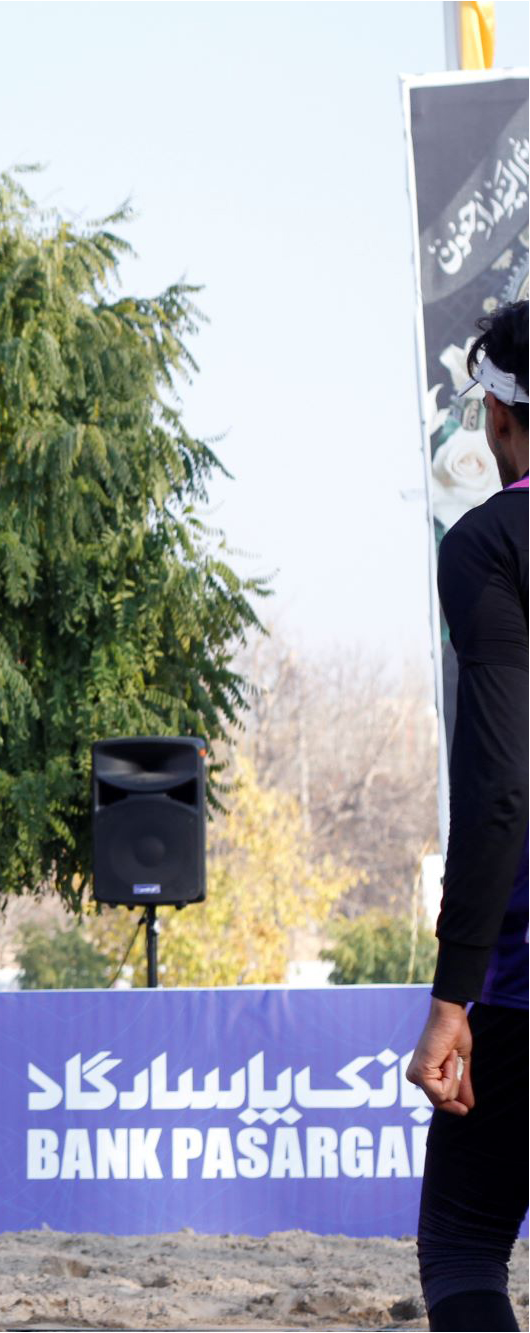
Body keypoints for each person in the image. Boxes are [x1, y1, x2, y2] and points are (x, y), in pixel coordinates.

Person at [405, 298, 528, 1333]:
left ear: (495, 416)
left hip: (522, 975)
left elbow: (498, 785)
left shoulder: (487, 544)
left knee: (462, 1243)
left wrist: (454, 997)